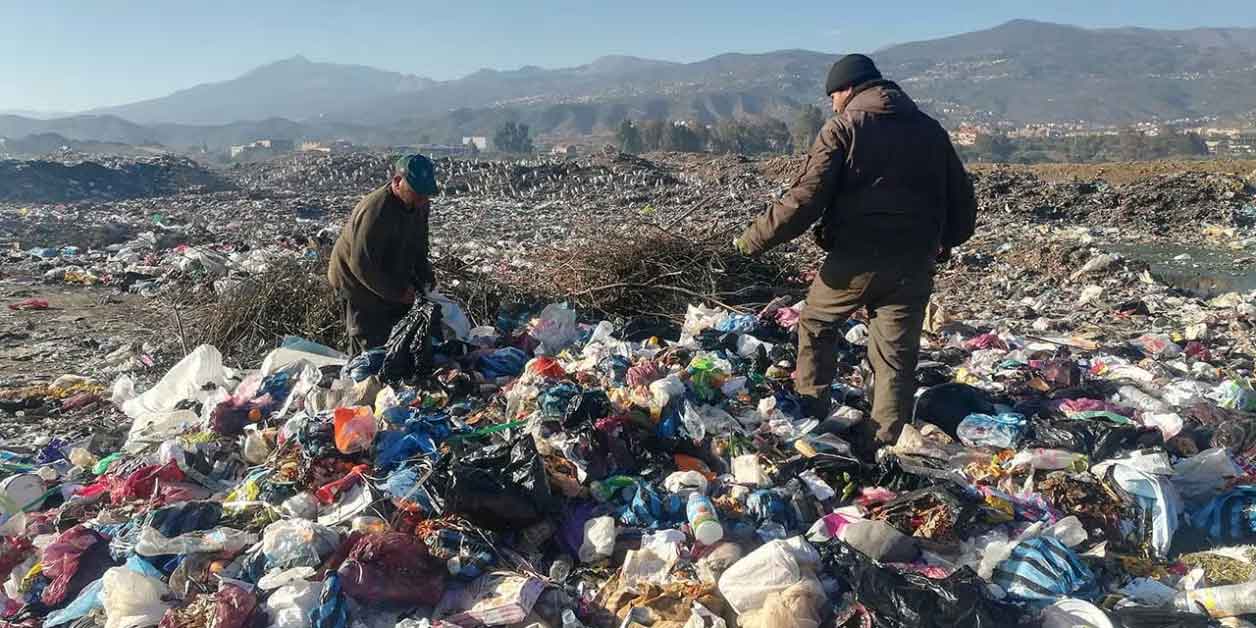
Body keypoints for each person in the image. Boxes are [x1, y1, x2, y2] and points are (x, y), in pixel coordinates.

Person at [734, 54, 977, 455]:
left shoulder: (844, 127)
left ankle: (810, 413)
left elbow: (805, 198)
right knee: (895, 357)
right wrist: (945, 241)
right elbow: (962, 199)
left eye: (833, 95)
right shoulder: (930, 130)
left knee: (816, 324)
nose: (832, 104)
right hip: (914, 261)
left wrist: (752, 241)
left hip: (856, 257)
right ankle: (882, 446)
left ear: (847, 88)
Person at [328, 154, 438, 354]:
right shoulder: (376, 210)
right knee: (369, 343)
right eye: (417, 193)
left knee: (402, 338)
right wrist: (397, 293)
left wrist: (426, 278)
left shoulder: (420, 205)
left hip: (387, 274)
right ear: (397, 182)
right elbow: (361, 264)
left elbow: (419, 244)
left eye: (426, 194)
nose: (422, 199)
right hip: (355, 282)